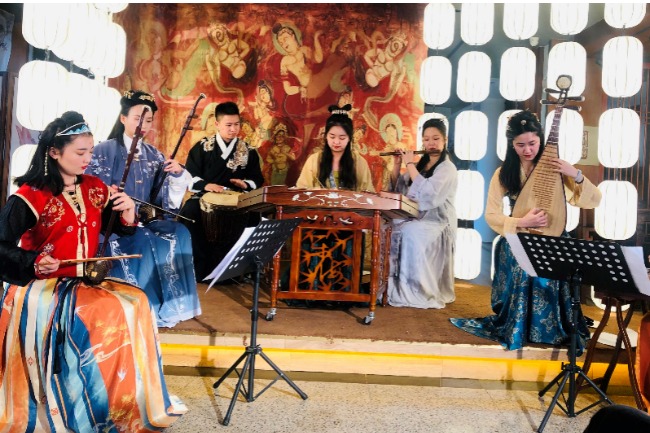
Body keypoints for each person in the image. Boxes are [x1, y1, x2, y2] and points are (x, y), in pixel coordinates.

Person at [0, 111, 186, 431]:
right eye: (80, 153)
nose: (89, 159)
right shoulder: (30, 195)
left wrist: (128, 212)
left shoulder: (95, 187)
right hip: (43, 284)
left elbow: (119, 229)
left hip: (83, 279)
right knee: (104, 311)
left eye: (91, 150)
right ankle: (84, 401)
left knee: (138, 302)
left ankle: (123, 402)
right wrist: (31, 262)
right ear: (54, 152)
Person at [450, 110, 602, 354]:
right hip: (518, 237)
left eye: (532, 143)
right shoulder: (504, 173)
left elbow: (592, 200)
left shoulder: (555, 169)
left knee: (555, 264)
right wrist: (520, 221)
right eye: (520, 145)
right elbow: (490, 215)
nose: (527, 150)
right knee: (521, 264)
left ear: (540, 140)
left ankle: (551, 328)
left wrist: (575, 174)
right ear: (512, 144)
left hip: (553, 237)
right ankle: (518, 325)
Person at [87, 90, 201, 328]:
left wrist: (178, 175)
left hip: (145, 220)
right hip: (113, 224)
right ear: (123, 119)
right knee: (143, 238)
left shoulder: (154, 155)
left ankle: (175, 304)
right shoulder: (102, 151)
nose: (143, 125)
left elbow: (166, 203)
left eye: (148, 121)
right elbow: (89, 191)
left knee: (179, 232)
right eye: (137, 118)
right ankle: (142, 305)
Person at [180, 101, 264, 280]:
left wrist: (245, 184)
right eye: (228, 125)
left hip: (237, 200)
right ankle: (198, 269)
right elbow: (189, 177)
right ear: (217, 124)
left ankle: (238, 271)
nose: (233, 129)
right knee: (190, 212)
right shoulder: (202, 147)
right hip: (205, 198)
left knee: (255, 216)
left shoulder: (248, 151)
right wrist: (205, 186)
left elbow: (257, 179)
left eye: (237, 124)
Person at [386, 118, 457, 309]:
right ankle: (392, 287)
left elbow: (428, 195)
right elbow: (400, 189)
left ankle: (416, 290)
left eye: (435, 138)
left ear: (445, 140)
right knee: (388, 226)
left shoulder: (447, 168)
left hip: (438, 222)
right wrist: (397, 164)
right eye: (426, 139)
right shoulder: (421, 164)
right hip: (416, 217)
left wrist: (409, 164)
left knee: (411, 232)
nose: (430, 143)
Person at [296, 104, 374, 191]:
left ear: (349, 138)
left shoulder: (359, 163)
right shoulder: (314, 160)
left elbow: (369, 194)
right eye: (332, 137)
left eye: (342, 138)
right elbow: (301, 192)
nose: (336, 142)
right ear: (326, 136)